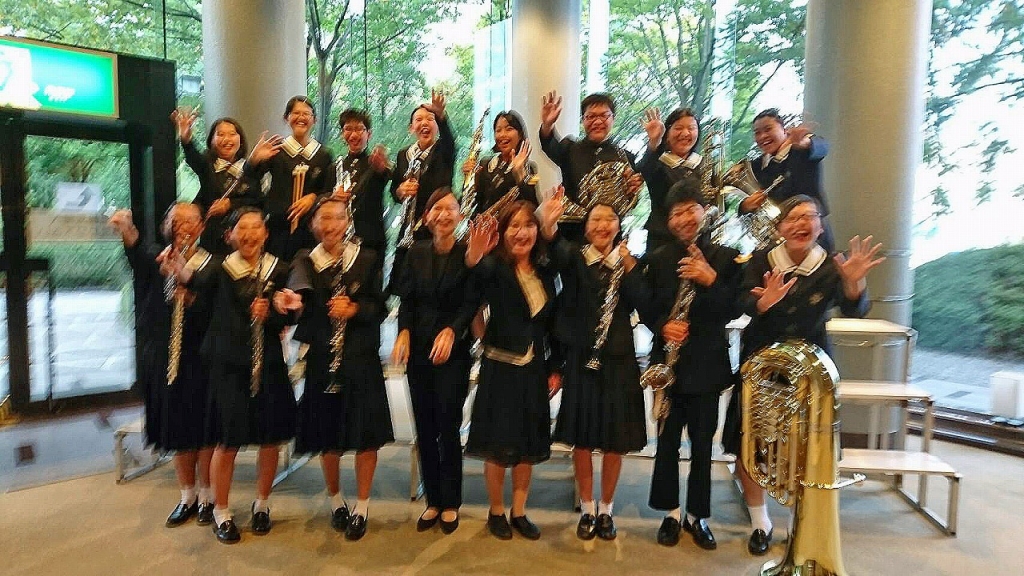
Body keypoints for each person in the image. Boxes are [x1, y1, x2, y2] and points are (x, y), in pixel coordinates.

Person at [722, 194, 884, 555]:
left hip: (812, 367)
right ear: (780, 228)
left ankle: (803, 520)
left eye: (809, 216)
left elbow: (854, 309)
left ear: (820, 226)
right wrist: (763, 302)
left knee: (809, 442)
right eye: (793, 218)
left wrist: (854, 283)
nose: (801, 223)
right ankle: (760, 521)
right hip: (762, 362)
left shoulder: (831, 264)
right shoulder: (761, 260)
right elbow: (740, 301)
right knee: (751, 439)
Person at [170, 206, 296, 544]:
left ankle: (262, 505)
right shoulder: (219, 270)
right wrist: (179, 270)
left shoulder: (279, 269)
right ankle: (221, 511)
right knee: (228, 441)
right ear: (230, 236)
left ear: (265, 234)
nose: (250, 234)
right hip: (228, 366)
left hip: (268, 363)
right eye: (243, 228)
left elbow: (287, 318)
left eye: (256, 227)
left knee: (270, 438)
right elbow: (193, 282)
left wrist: (275, 312)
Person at [635, 176, 743, 551]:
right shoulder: (657, 259)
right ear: (668, 220)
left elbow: (733, 309)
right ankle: (670, 513)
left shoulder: (726, 258)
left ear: (705, 211)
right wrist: (662, 325)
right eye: (676, 213)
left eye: (690, 210)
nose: (684, 219)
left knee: (702, 446)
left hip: (707, 366)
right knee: (666, 444)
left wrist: (710, 279)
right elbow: (646, 306)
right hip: (668, 366)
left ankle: (698, 516)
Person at [279, 197, 392, 541]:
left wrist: (355, 309)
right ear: (313, 225)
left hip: (361, 358)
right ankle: (336, 500)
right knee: (328, 435)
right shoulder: (305, 260)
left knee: (365, 436)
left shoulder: (367, 258)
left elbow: (381, 307)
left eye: (337, 218)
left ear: (348, 222)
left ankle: (362, 506)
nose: (330, 225)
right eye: (323, 219)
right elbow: (297, 298)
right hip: (321, 359)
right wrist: (293, 305)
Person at [538, 191, 648, 541]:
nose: (602, 225)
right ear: (586, 229)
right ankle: (586, 508)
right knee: (582, 438)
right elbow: (554, 247)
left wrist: (629, 265)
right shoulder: (575, 258)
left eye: (609, 219)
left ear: (618, 226)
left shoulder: (629, 262)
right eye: (595, 220)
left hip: (619, 359)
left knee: (615, 440)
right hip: (581, 358)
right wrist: (548, 223)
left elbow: (644, 303)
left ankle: (606, 509)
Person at [110, 204, 215, 528]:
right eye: (176, 220)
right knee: (177, 427)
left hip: (201, 356)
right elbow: (135, 250)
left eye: (191, 221)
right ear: (166, 226)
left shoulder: (212, 263)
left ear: (201, 227)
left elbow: (216, 307)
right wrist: (127, 228)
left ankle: (208, 496)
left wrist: (192, 298)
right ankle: (187, 496)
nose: (183, 226)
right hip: (165, 357)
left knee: (206, 428)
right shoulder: (157, 256)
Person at [463, 202, 558, 541]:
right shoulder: (493, 267)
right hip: (500, 367)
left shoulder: (544, 270)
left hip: (535, 368)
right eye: (514, 226)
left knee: (527, 443)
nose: (521, 232)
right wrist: (483, 340)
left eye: (528, 225)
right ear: (503, 232)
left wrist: (554, 367)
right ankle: (496, 510)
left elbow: (550, 324)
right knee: (497, 443)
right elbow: (471, 302)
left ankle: (519, 511)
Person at [391, 188, 478, 535]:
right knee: (424, 427)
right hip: (419, 352)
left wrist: (453, 331)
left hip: (453, 353)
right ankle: (433, 500)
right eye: (437, 208)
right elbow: (407, 300)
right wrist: (403, 332)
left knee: (448, 425)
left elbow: (470, 303)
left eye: (450, 209)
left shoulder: (467, 254)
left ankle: (451, 501)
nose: (443, 215)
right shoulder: (415, 252)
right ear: (427, 217)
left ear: (460, 216)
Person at [537, 91, 643, 241]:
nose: (597, 122)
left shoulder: (626, 157)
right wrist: (547, 125)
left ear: (613, 118)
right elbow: (550, 145)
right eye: (591, 116)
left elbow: (630, 202)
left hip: (609, 234)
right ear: (583, 120)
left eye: (604, 116)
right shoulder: (569, 149)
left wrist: (632, 191)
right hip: (573, 233)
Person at [246, 96, 335, 260]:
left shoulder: (324, 155)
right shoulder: (276, 150)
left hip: (311, 230)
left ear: (314, 120)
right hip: (278, 229)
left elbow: (329, 191)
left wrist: (313, 198)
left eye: (306, 114)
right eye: (296, 113)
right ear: (286, 118)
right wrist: (253, 161)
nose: (301, 117)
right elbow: (250, 181)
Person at [171, 109, 261, 255]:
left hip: (243, 238)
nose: (227, 139)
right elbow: (194, 157)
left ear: (241, 140)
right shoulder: (207, 165)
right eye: (220, 134)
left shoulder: (250, 168)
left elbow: (257, 201)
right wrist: (186, 140)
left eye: (232, 134)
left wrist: (230, 204)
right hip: (212, 238)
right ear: (211, 140)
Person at [745, 108, 834, 252]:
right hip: (777, 239)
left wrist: (805, 143)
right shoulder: (757, 165)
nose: (762, 136)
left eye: (768, 129)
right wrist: (745, 206)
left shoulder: (801, 150)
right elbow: (745, 201)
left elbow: (822, 147)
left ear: (784, 129)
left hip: (813, 233)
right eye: (757, 132)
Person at [637, 107, 706, 252]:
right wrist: (654, 141)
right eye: (678, 128)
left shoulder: (706, 165)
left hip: (700, 238)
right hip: (663, 239)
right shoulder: (658, 162)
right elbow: (643, 170)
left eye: (691, 128)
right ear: (667, 134)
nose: (685, 133)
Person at [331, 108, 392, 255]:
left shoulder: (376, 164)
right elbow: (323, 197)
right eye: (348, 129)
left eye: (359, 129)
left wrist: (382, 168)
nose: (353, 135)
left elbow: (388, 175)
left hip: (371, 241)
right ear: (342, 134)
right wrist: (332, 197)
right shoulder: (335, 167)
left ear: (369, 134)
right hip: (340, 238)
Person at [463, 110, 539, 216]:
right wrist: (469, 179)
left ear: (520, 135)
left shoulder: (530, 168)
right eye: (498, 130)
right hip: (483, 224)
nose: (502, 135)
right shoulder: (485, 164)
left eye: (509, 129)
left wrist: (520, 176)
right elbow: (471, 204)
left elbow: (533, 206)